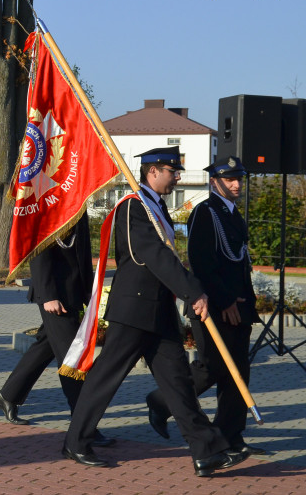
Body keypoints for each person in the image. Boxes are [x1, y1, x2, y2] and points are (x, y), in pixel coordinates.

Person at [62, 147, 247, 477]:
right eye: (172, 171)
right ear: (152, 172)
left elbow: (170, 260)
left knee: (177, 383)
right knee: (106, 377)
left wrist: (188, 290)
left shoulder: (155, 206)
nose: (177, 177)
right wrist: (193, 292)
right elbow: (154, 257)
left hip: (159, 312)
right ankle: (76, 441)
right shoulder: (133, 207)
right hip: (134, 309)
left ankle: (206, 452)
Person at [145, 156, 263, 457]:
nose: (236, 184)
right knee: (210, 369)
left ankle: (231, 437)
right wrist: (224, 301)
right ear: (215, 182)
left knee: (239, 373)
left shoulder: (233, 214)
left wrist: (245, 301)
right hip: (212, 305)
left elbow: (238, 261)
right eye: (229, 179)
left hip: (240, 306)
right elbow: (201, 263)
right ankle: (161, 401)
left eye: (239, 179)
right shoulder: (205, 212)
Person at [0, 213, 114, 446]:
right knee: (71, 361)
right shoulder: (50, 202)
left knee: (46, 346)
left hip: (73, 294)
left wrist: (88, 292)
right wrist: (48, 295)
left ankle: (8, 395)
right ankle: (84, 427)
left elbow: (83, 252)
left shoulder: (79, 202)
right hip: (54, 296)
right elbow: (38, 249)